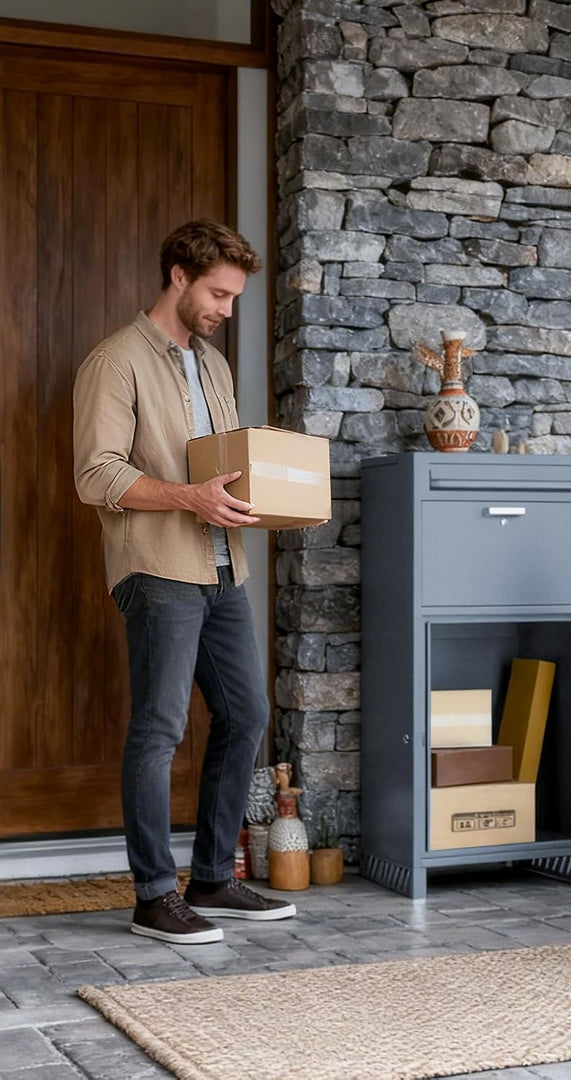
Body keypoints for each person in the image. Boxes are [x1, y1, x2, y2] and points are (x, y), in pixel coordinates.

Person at [73, 220, 296, 944]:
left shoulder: (215, 368)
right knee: (161, 726)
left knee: (247, 717)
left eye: (233, 297)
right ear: (178, 274)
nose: (227, 311)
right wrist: (190, 498)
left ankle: (211, 877)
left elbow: (226, 466)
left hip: (223, 566)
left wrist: (279, 498)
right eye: (219, 294)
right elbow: (95, 473)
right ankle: (152, 895)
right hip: (158, 569)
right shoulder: (116, 361)